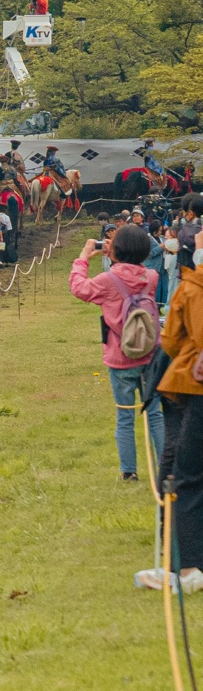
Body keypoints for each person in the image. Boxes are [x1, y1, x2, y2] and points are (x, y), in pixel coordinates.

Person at [71, 224, 166, 484]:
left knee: (124, 414)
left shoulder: (107, 280)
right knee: (155, 413)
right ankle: (164, 469)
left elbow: (79, 288)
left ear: (117, 249)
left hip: (120, 355)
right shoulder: (152, 277)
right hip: (150, 352)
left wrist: (83, 257)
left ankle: (129, 471)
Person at [154, 240, 203, 592]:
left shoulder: (192, 287)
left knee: (186, 475)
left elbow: (171, 340)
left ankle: (186, 568)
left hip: (195, 388)